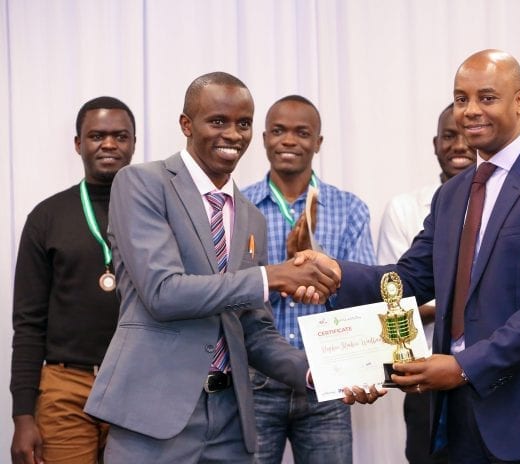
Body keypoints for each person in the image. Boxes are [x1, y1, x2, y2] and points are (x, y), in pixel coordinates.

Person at [296, 49, 520, 462]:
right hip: (455, 418)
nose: (471, 111)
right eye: (461, 99)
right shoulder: (451, 194)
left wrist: (462, 367)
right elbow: (407, 280)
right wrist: (335, 273)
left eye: (487, 97)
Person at [83, 73, 355, 464]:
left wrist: (317, 373)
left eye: (243, 123)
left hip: (231, 421)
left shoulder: (250, 216)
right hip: (154, 417)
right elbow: (163, 292)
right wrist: (271, 277)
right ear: (186, 125)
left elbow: (253, 330)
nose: (233, 134)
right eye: (218, 121)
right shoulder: (141, 183)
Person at [242, 94, 376, 464]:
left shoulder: (348, 208)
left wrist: (319, 271)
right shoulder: (240, 205)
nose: (289, 140)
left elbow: (362, 297)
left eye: (302, 132)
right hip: (257, 380)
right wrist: (283, 272)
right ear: (265, 137)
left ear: (318, 142)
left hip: (327, 382)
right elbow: (231, 291)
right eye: (279, 131)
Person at [10, 96, 136, 464]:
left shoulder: (154, 212)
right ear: (78, 144)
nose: (109, 144)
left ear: (133, 143)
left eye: (120, 136)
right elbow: (29, 323)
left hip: (137, 381)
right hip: (66, 388)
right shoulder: (46, 217)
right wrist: (22, 416)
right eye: (97, 135)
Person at [376, 102, 474, 464]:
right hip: (421, 373)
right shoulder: (404, 208)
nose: (459, 145)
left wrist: (434, 306)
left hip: (487, 371)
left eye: (466, 135)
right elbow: (394, 299)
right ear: (435, 144)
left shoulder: (506, 209)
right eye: (449, 136)